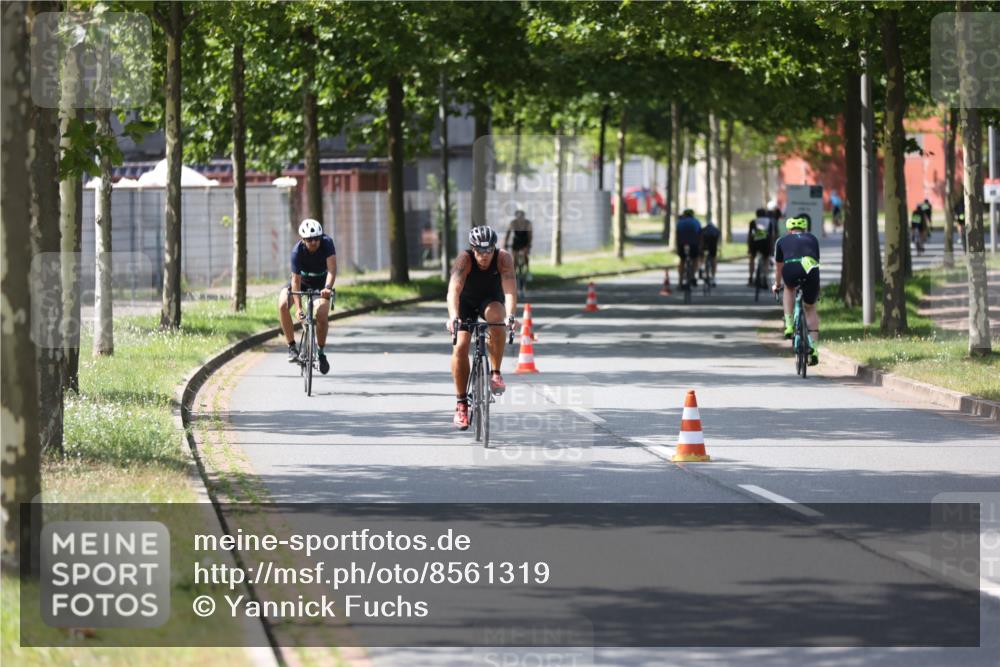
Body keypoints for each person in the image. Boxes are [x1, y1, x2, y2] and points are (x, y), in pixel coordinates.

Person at [447, 226, 518, 430]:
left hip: (490, 301)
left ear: (494, 248)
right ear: (472, 248)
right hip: (466, 302)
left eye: (488, 251)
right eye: (479, 251)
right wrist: (453, 317)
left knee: (498, 317)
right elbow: (453, 290)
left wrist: (511, 316)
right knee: (460, 346)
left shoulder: (503, 258)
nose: (484, 256)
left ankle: (495, 372)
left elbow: (510, 291)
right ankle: (461, 404)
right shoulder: (464, 260)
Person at [279, 218, 336, 374]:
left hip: (321, 283)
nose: (313, 242)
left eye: (316, 238)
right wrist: (298, 308)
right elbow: (295, 280)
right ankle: (291, 347)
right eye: (309, 239)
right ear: (302, 239)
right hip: (302, 282)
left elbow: (332, 269)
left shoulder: (327, 243)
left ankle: (321, 353)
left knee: (322, 314)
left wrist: (327, 288)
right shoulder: (297, 252)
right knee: (283, 304)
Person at [773, 215, 821, 366]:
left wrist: (777, 284)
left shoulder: (781, 240)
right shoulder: (813, 238)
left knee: (789, 288)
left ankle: (788, 325)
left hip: (791, 268)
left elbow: (779, 267)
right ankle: (813, 348)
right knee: (810, 307)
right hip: (810, 269)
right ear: (804, 229)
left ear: (789, 230)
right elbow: (816, 260)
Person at [674, 209, 702, 287]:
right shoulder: (696, 221)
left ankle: (680, 282)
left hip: (682, 243)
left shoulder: (680, 222)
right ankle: (693, 275)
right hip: (694, 243)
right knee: (695, 259)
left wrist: (677, 246)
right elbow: (700, 234)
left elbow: (677, 234)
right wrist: (700, 246)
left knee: (682, 260)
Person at [747, 208, 775, 286]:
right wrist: (772, 247)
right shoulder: (769, 222)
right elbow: (772, 236)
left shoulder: (753, 222)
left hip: (755, 242)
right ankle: (765, 277)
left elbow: (750, 235)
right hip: (766, 242)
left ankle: (750, 278)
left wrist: (749, 247)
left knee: (752, 258)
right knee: (766, 259)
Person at [504, 209, 533, 280]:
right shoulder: (513, 223)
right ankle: (514, 273)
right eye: (518, 217)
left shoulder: (527, 223)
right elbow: (508, 233)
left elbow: (530, 235)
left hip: (525, 240)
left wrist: (528, 245)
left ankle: (527, 269)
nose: (520, 218)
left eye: (521, 217)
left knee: (525, 254)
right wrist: (505, 243)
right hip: (516, 241)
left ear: (524, 216)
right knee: (515, 257)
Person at [700, 219, 721, 287]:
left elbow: (700, 240)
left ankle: (702, 267)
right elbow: (718, 241)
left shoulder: (703, 230)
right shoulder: (716, 230)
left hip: (704, 246)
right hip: (713, 247)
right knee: (713, 259)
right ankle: (713, 277)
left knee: (702, 256)